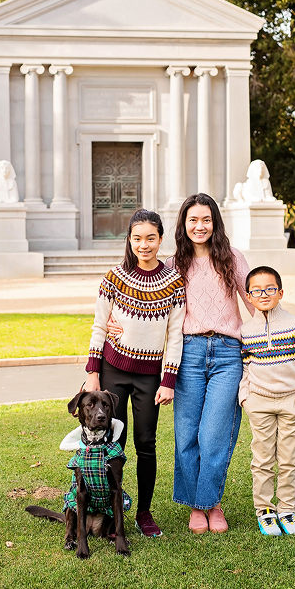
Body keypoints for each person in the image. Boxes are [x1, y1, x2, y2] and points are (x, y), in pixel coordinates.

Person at [83, 209, 186, 538]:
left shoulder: (174, 283)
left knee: (146, 443)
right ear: (129, 239)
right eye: (138, 238)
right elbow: (100, 326)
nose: (144, 245)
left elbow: (176, 336)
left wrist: (168, 380)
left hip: (150, 377)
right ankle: (112, 508)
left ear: (160, 239)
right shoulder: (113, 278)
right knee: (114, 442)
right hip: (113, 371)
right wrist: (92, 373)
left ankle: (143, 512)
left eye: (151, 238)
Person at [169, 193, 254, 534]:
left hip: (227, 354)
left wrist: (280, 329)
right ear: (184, 224)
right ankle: (196, 506)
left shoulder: (231, 258)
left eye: (206, 219)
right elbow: (156, 310)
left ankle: (212, 503)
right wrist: (118, 321)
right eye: (193, 220)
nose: (199, 226)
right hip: (188, 354)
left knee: (215, 434)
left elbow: (254, 301)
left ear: (215, 222)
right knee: (188, 434)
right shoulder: (175, 263)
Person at [239, 266, 295, 536]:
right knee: (261, 460)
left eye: (270, 289)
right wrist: (246, 399)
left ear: (280, 292)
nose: (264, 294)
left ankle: (287, 509)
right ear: (248, 296)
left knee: (288, 460)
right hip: (259, 403)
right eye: (256, 290)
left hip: (290, 403)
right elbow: (245, 367)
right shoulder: (245, 330)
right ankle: (265, 511)